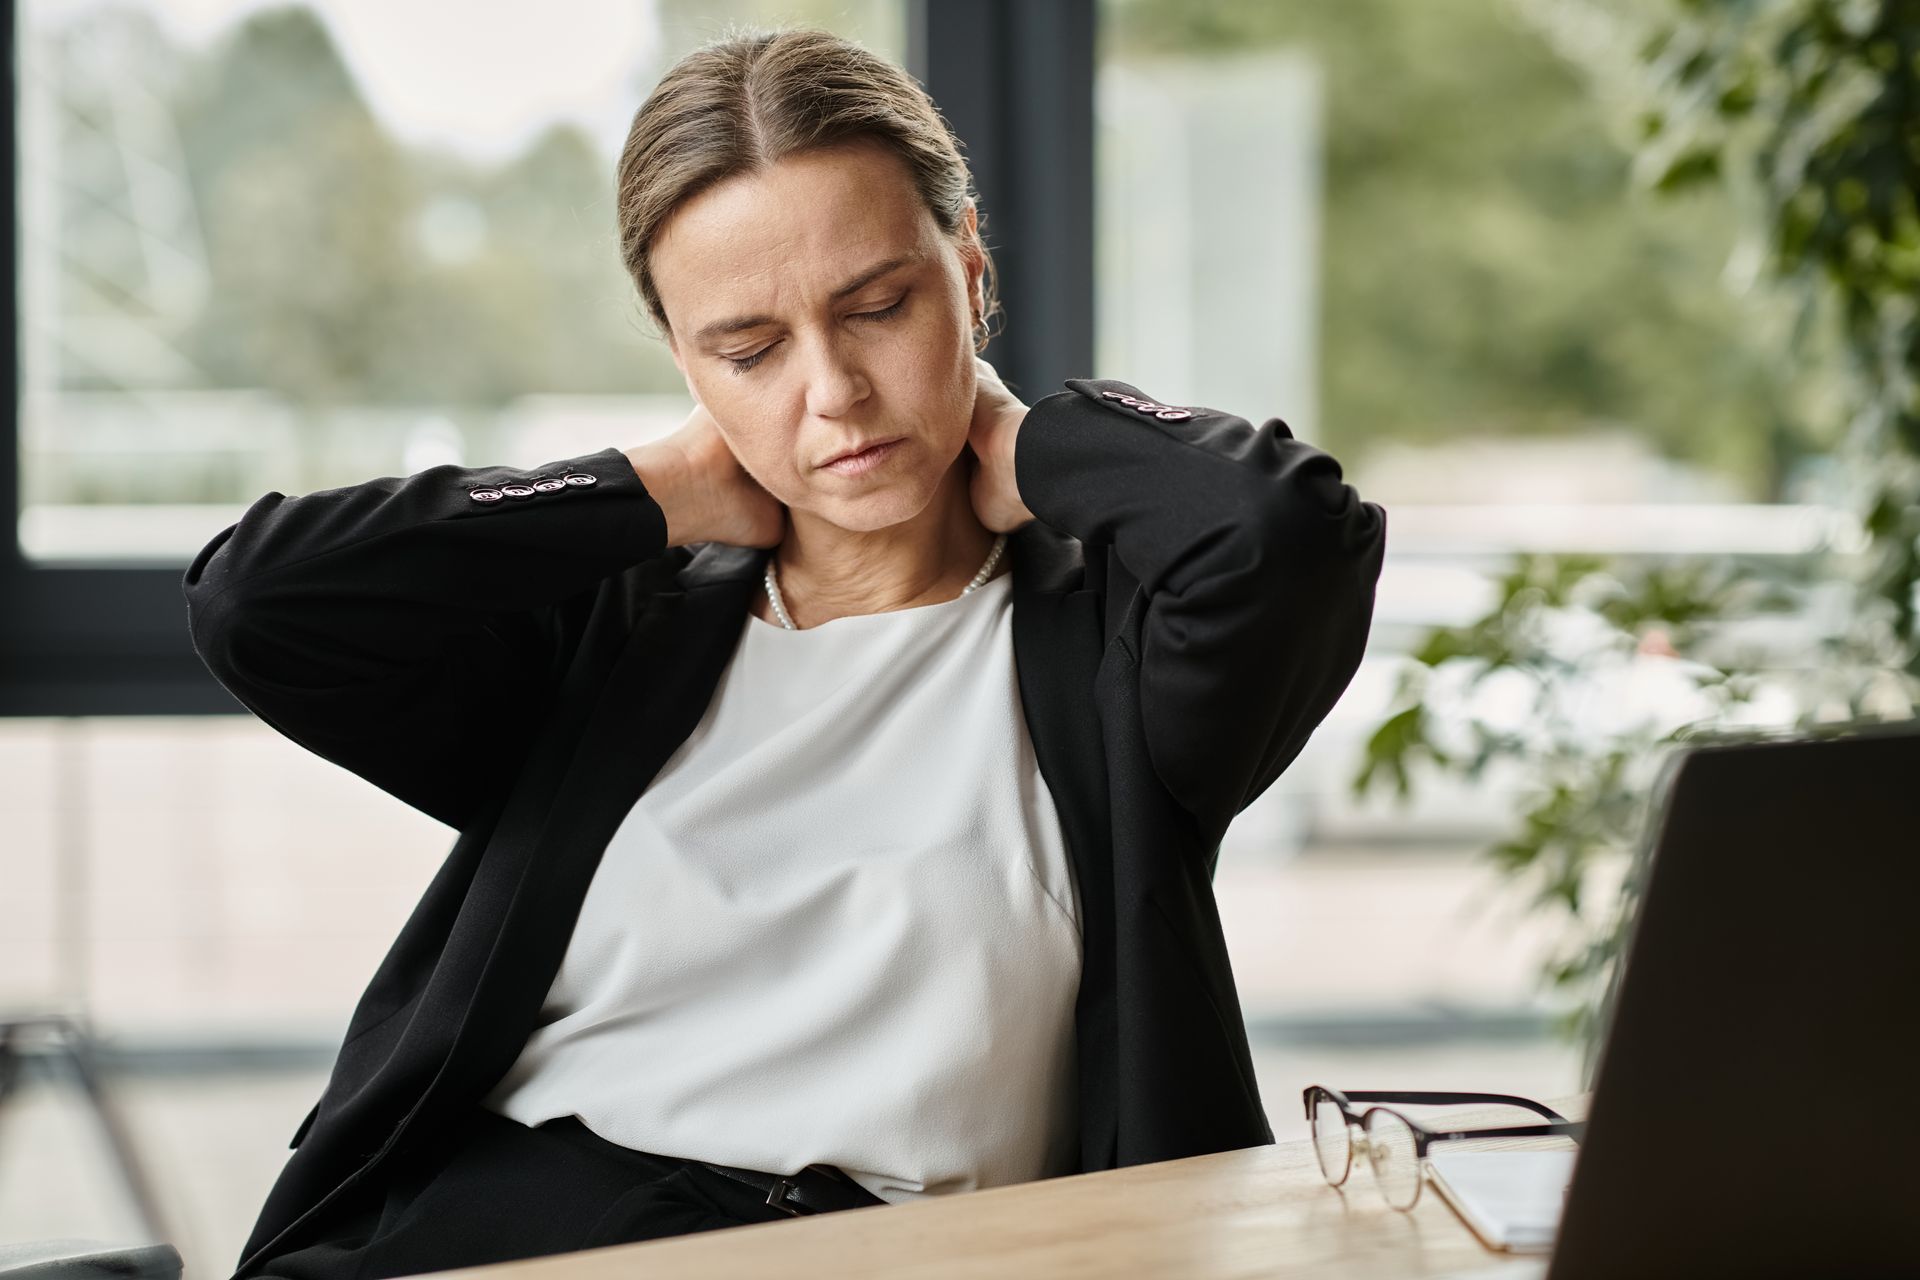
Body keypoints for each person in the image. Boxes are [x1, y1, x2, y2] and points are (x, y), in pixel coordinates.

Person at [185, 25, 1387, 1280]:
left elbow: (1281, 529)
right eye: (749, 349)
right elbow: (258, 603)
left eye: (878, 306)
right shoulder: (610, 640)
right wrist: (651, 488)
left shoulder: (1115, 660)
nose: (834, 393)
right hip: (495, 1237)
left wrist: (1031, 445)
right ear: (683, 361)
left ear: (970, 268)